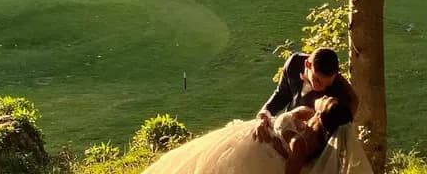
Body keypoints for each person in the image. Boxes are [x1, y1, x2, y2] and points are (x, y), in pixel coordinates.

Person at [141, 96, 370, 174]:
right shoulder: (309, 120)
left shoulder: (301, 143)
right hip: (248, 137)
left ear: (321, 118)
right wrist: (266, 119)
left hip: (256, 154)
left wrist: (272, 135)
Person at [255, 48, 358, 140]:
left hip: (310, 145)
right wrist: (264, 114)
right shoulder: (293, 63)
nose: (321, 88)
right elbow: (281, 95)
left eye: (327, 85)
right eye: (317, 81)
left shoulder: (339, 88)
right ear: (307, 65)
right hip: (285, 130)